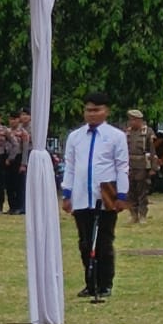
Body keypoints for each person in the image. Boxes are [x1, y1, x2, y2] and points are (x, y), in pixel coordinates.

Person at [61, 92, 129, 302]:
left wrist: (121, 195)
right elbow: (70, 166)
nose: (92, 114)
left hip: (105, 194)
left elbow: (122, 166)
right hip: (82, 195)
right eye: (88, 110)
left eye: (96, 110)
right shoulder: (75, 137)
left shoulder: (116, 136)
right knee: (84, 241)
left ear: (106, 111)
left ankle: (105, 283)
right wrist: (67, 193)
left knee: (104, 241)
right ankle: (90, 282)